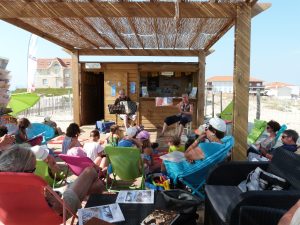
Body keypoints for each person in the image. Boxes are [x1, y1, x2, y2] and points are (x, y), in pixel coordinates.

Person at [0, 145, 104, 217]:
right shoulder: (30, 182)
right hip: (61, 210)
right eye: (33, 170)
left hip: (20, 219)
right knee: (90, 171)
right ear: (25, 170)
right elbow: (58, 208)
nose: (34, 172)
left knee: (97, 185)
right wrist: (52, 198)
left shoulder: (4, 185)